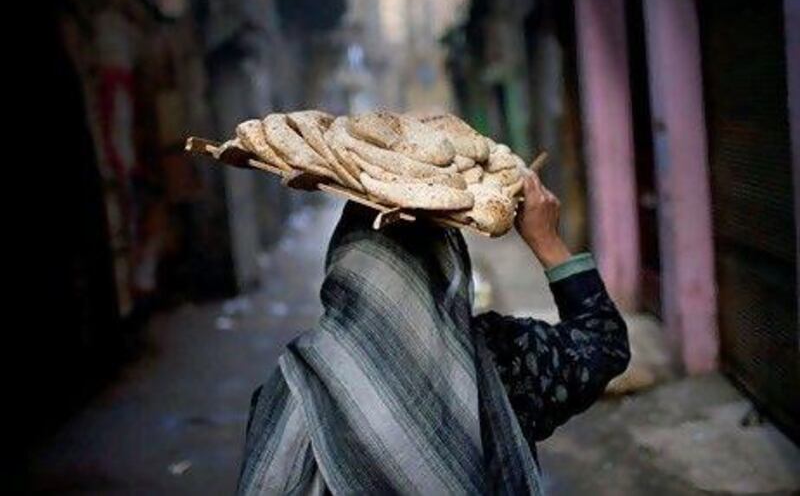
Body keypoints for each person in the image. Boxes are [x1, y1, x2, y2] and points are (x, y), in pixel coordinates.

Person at [237, 171, 631, 495]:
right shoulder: (500, 357)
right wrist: (547, 240)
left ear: (342, 264)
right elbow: (602, 344)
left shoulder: (296, 383)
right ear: (449, 267)